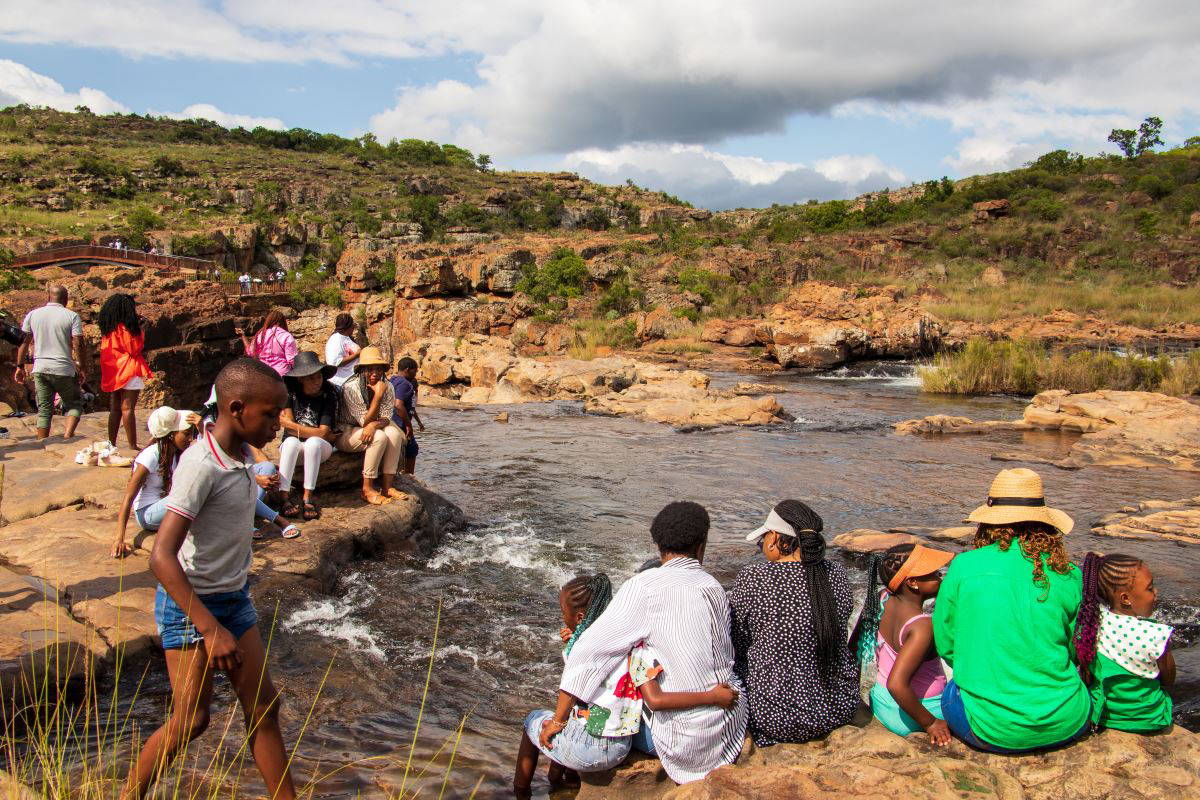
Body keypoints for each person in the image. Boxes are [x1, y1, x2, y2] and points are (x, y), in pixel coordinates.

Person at [122, 358, 297, 800]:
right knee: (191, 721)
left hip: (235, 599)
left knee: (264, 708)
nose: (278, 423)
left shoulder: (241, 456)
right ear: (236, 408)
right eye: (271, 414)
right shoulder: (201, 464)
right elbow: (161, 557)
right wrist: (209, 627)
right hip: (191, 607)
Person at [559, 501, 747, 785]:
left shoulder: (644, 587)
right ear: (701, 545)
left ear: (658, 545)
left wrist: (558, 720)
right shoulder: (714, 587)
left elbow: (587, 652)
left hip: (683, 743)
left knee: (603, 703)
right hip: (730, 725)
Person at [515, 573, 738, 798]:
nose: (562, 617)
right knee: (580, 714)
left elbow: (573, 689)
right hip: (622, 744)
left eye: (564, 613)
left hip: (595, 748)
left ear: (580, 616)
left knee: (533, 721)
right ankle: (567, 785)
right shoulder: (635, 646)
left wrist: (556, 722)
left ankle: (521, 792)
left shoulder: (584, 647)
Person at [933, 468, 1091, 753]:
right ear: (1045, 523)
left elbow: (946, 643)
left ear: (989, 522)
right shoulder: (1070, 574)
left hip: (989, 728)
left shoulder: (964, 566)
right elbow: (1077, 649)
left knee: (949, 693)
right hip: (1067, 721)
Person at [729, 500, 860, 747]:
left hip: (777, 718)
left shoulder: (753, 578)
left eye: (762, 539)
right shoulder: (837, 575)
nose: (762, 545)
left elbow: (738, 642)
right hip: (838, 708)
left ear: (775, 538)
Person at [851, 543, 954, 745]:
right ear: (913, 582)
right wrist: (931, 723)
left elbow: (853, 648)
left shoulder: (880, 598)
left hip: (881, 704)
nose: (940, 577)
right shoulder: (922, 626)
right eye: (934, 574)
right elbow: (896, 684)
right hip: (916, 712)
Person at [1073, 553, 1175, 733]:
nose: (1156, 593)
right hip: (1149, 718)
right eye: (1150, 588)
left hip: (1103, 716)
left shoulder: (1091, 625)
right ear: (1126, 598)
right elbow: (1168, 680)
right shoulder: (1156, 634)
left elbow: (1086, 675)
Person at [112, 407, 198, 558]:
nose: (190, 438)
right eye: (186, 434)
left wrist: (202, 427)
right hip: (147, 514)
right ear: (171, 435)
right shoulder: (151, 456)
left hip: (165, 508)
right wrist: (119, 539)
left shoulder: (177, 453)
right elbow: (128, 498)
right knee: (193, 491)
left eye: (191, 434)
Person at [335, 346, 407, 506]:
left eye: (378, 369)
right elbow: (364, 422)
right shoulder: (351, 387)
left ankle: (387, 486)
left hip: (371, 425)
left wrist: (373, 425)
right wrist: (378, 396)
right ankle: (367, 489)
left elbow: (386, 418)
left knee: (394, 434)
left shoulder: (387, 386)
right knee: (379, 437)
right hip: (345, 430)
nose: (375, 373)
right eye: (370, 369)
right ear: (362, 370)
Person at [15, 286, 87, 440]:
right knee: (75, 405)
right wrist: (82, 367)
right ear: (65, 299)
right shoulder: (72, 316)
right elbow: (79, 344)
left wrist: (20, 366)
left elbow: (24, 342)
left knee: (45, 409)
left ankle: (41, 442)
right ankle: (68, 437)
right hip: (63, 368)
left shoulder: (33, 314)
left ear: (48, 297)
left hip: (40, 368)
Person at [278, 351, 339, 520]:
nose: (316, 382)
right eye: (311, 378)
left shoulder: (328, 396)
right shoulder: (290, 395)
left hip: (320, 447)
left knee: (313, 442)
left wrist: (292, 426)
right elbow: (288, 431)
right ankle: (284, 497)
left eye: (318, 377)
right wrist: (292, 427)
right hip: (295, 446)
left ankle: (307, 497)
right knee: (290, 443)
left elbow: (323, 432)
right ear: (301, 379)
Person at [99, 293, 153, 451]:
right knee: (128, 408)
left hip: (114, 372)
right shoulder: (125, 329)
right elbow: (134, 349)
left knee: (114, 409)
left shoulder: (109, 329)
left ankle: (111, 443)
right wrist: (141, 330)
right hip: (128, 370)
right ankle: (132, 445)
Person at [237, 309, 298, 377]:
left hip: (263, 373)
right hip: (281, 374)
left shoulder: (260, 334)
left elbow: (250, 352)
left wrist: (242, 335)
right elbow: (292, 360)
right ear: (281, 322)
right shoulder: (286, 335)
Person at [390, 356, 424, 475]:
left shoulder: (392, 380)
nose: (416, 373)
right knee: (412, 449)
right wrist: (408, 425)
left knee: (400, 450)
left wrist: (418, 422)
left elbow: (410, 408)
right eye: (415, 371)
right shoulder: (405, 383)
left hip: (391, 422)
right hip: (400, 424)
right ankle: (409, 476)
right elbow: (398, 405)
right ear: (408, 369)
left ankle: (401, 473)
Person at [324, 313, 359, 387]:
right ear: (348, 326)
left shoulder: (347, 337)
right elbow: (334, 362)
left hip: (351, 381)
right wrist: (356, 355)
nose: (354, 326)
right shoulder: (335, 339)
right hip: (340, 384)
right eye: (352, 324)